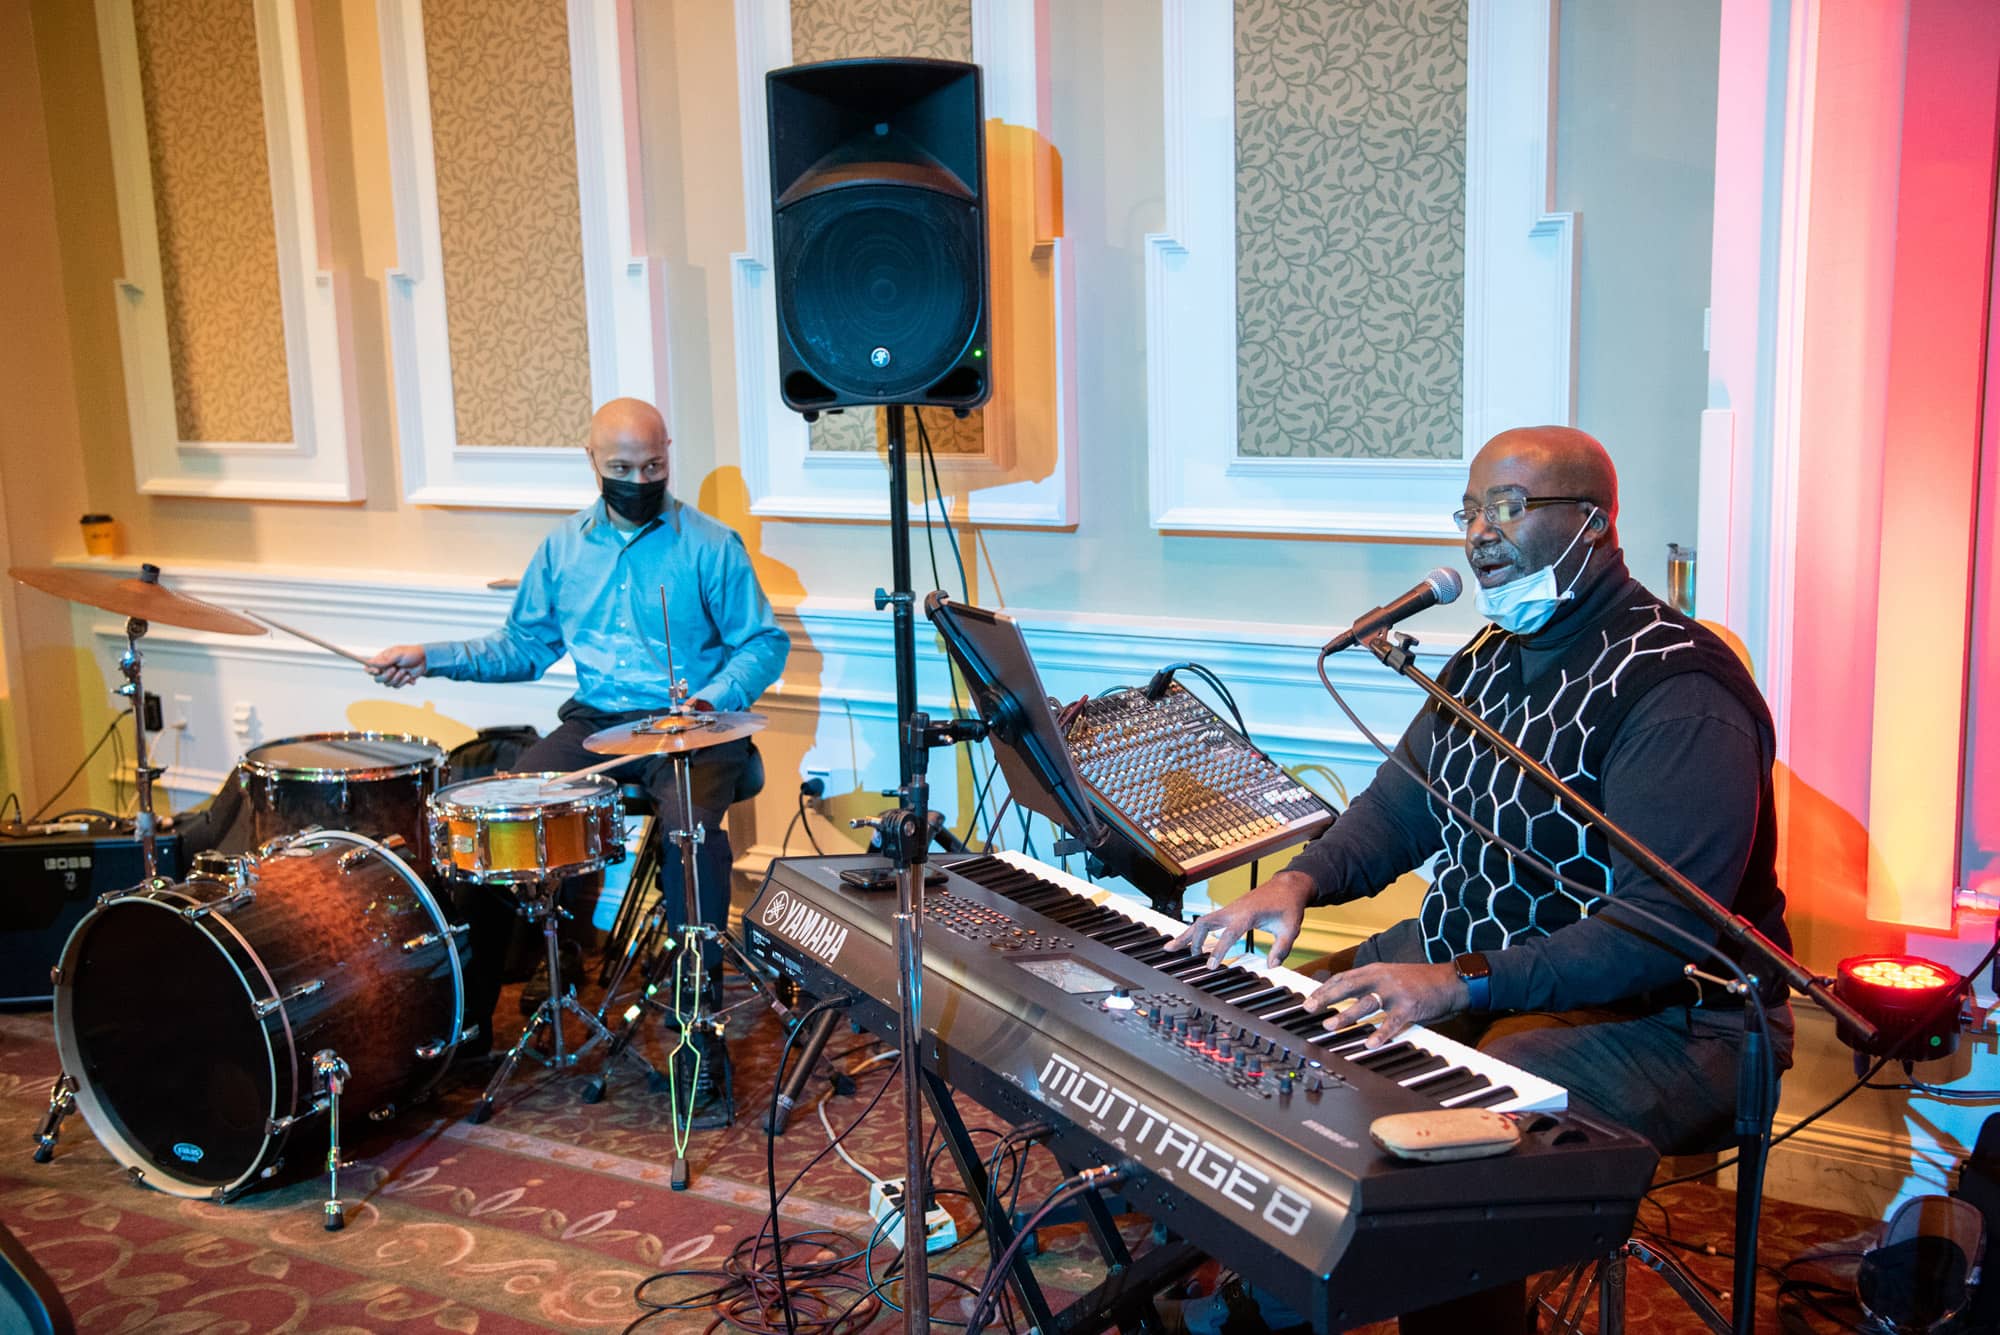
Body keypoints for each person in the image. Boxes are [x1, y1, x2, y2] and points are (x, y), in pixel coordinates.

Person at [1164, 426, 1794, 1335]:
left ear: (1592, 524)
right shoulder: (1489, 658)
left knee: (1456, 1130)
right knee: (1274, 1024)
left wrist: (1460, 982)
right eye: (1469, 511)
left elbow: (1658, 931)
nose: (1478, 534)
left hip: (1681, 1016)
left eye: (1507, 507)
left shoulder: (1679, 691)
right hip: (1483, 959)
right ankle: (1278, 1301)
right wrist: (1298, 881)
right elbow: (1401, 808)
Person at [367, 398, 789, 1066]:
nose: (639, 479)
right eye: (622, 466)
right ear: (590, 459)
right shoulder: (563, 548)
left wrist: (715, 695)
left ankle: (695, 1028)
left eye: (654, 465)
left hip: (696, 724)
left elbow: (763, 645)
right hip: (598, 719)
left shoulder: (710, 545)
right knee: (496, 809)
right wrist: (431, 656)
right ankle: (475, 1021)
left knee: (690, 830)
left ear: (669, 455)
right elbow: (521, 648)